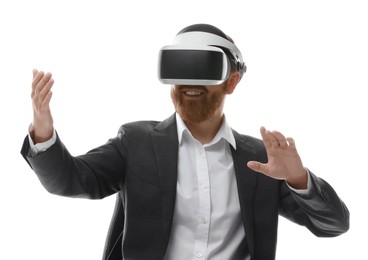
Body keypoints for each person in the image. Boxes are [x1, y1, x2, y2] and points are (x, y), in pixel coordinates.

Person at [21, 24, 349, 260]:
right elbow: (69, 180)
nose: (190, 82)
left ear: (231, 82)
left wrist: (298, 179)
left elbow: (333, 224)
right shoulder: (135, 142)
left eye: (203, 69)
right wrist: (43, 131)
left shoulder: (263, 162)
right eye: (181, 68)